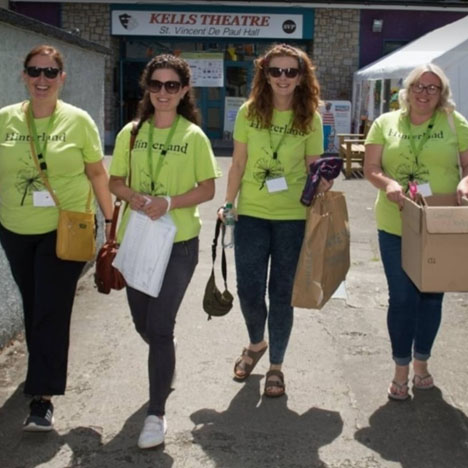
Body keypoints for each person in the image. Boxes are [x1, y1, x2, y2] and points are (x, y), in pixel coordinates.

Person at [0, 45, 113, 430]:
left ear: (62, 78)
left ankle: (42, 399)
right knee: (34, 306)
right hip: (14, 228)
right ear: (24, 75)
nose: (42, 79)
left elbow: (98, 174)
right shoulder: (5, 120)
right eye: (35, 71)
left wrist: (111, 220)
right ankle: (41, 369)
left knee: (50, 309)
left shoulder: (78, 121)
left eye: (50, 72)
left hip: (65, 229)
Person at [109, 54, 219, 449]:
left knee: (159, 327)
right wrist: (134, 196)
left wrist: (169, 202)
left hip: (178, 244)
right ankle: (165, 358)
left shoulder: (193, 137)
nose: (163, 92)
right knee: (146, 325)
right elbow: (115, 181)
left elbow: (207, 189)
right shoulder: (131, 133)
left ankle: (156, 413)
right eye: (156, 85)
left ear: (185, 90)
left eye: (172, 85)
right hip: (137, 239)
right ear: (147, 89)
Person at [219, 44, 330, 398]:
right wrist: (228, 204)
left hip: (292, 219)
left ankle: (276, 367)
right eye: (275, 71)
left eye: (290, 72)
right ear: (264, 75)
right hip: (251, 214)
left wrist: (324, 179)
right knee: (249, 291)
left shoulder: (310, 116)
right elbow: (237, 163)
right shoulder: (248, 112)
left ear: (301, 77)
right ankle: (256, 343)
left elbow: (314, 166)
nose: (283, 78)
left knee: (282, 295)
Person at [364, 63, 468, 400]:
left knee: (431, 296)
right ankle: (400, 369)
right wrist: (389, 183)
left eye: (432, 88)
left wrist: (466, 182)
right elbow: (372, 168)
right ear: (406, 90)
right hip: (397, 224)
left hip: (440, 223)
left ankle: (421, 361)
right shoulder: (385, 123)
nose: (424, 93)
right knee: (403, 297)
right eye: (418, 86)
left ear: (442, 94)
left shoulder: (456, 122)